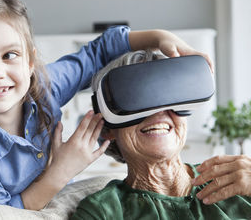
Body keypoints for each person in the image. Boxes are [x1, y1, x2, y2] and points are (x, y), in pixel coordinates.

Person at [0, 0, 212, 210]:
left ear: (30, 62)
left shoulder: (45, 86)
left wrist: (159, 37)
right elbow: (7, 214)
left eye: (9, 55)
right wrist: (62, 169)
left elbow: (98, 51)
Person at [70, 49, 251, 219]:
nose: (158, 113)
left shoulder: (237, 180)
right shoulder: (102, 211)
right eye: (135, 101)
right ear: (108, 128)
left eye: (169, 98)